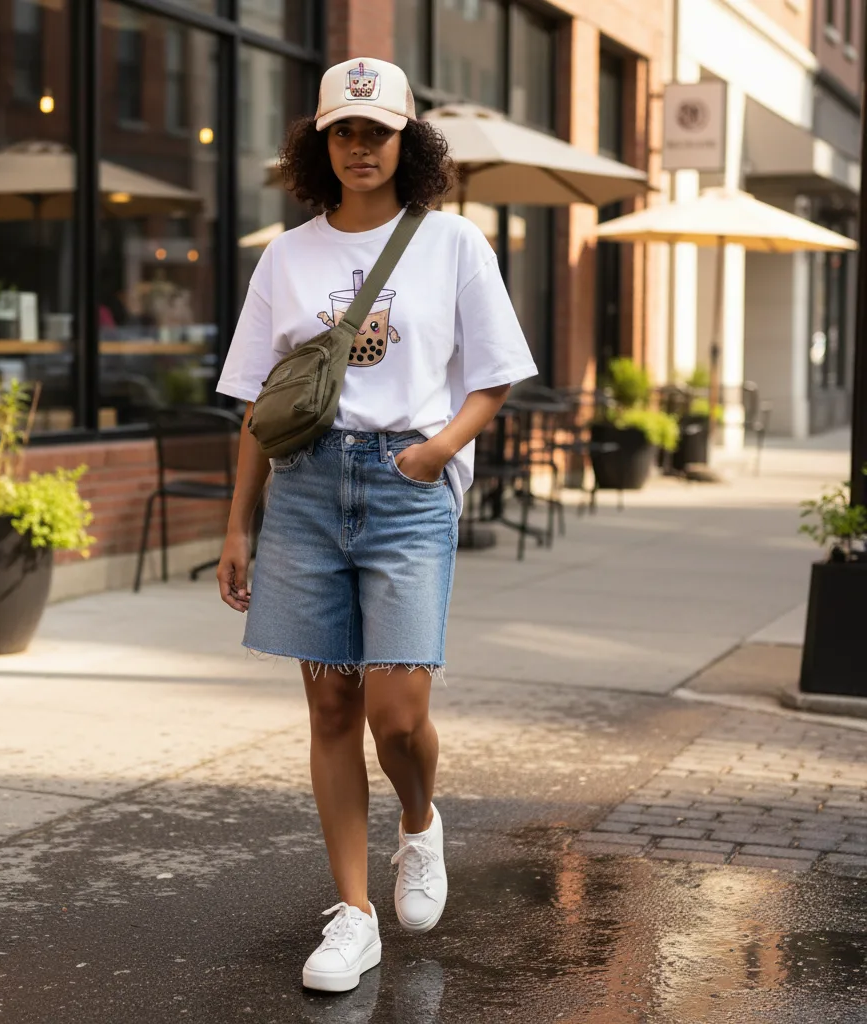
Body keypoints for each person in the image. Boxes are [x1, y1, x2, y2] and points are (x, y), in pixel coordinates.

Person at [215, 57, 536, 993]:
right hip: (307, 492)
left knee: (399, 720)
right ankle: (355, 914)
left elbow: (495, 377)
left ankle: (422, 823)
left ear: (409, 142)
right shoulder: (287, 256)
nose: (361, 147)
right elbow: (257, 404)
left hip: (406, 488)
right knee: (328, 708)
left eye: (378, 131)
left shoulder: (453, 246)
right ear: (320, 143)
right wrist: (237, 526)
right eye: (344, 132)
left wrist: (438, 453)